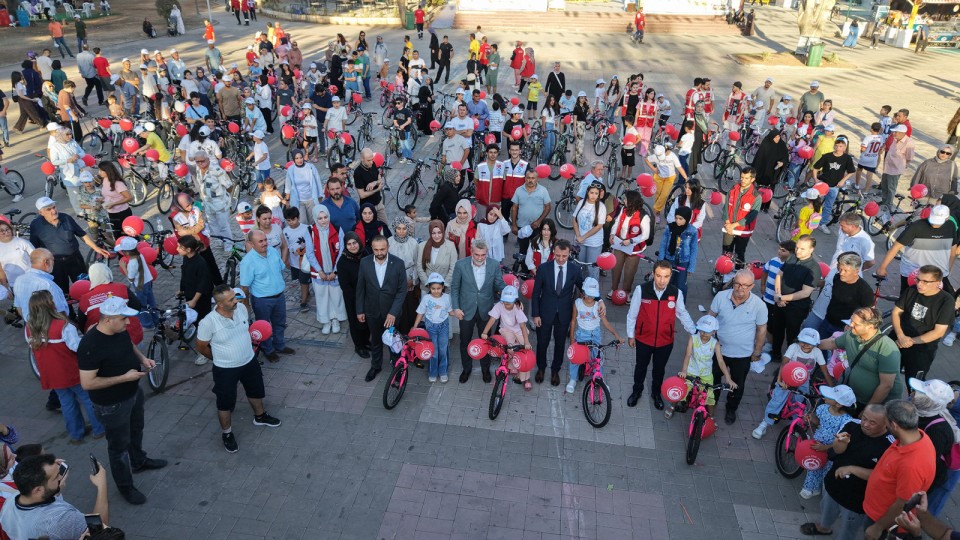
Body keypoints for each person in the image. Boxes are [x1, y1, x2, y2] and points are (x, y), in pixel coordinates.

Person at [78, 296, 167, 505]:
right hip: (112, 404)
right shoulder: (90, 345)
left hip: (133, 393)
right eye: (123, 318)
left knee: (136, 430)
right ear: (108, 320)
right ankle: (125, 487)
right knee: (119, 446)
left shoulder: (118, 330)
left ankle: (139, 461)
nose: (128, 322)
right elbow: (87, 383)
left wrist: (142, 359)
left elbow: (129, 344)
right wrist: (124, 378)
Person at [196, 285, 281, 453]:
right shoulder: (208, 322)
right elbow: (201, 346)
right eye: (231, 299)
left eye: (235, 296)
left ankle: (260, 417)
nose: (236, 300)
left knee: (256, 391)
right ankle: (227, 433)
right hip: (225, 369)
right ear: (220, 304)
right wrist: (217, 358)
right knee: (225, 402)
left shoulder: (241, 309)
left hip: (249, 361)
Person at [27, 290, 106, 444]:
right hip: (71, 371)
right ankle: (99, 429)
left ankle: (76, 433)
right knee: (88, 399)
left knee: (66, 403)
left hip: (51, 373)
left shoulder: (30, 328)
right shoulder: (63, 326)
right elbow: (77, 347)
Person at [625, 259, 697, 409]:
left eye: (666, 276)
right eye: (658, 276)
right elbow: (632, 314)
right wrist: (631, 335)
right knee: (640, 367)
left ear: (670, 276)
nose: (662, 280)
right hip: (643, 339)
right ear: (653, 274)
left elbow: (682, 314)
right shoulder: (641, 290)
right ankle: (636, 391)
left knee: (659, 370)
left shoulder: (676, 293)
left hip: (665, 341)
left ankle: (656, 394)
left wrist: (694, 332)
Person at [863, 400, 937, 540]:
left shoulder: (912, 465)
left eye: (886, 421)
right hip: (877, 511)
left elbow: (903, 504)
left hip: (885, 522)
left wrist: (878, 527)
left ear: (894, 425)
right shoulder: (918, 436)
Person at [0, 453, 109, 538]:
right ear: (38, 490)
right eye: (56, 476)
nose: (61, 477)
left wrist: (54, 486)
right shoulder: (60, 520)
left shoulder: (9, 503)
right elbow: (100, 531)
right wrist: (102, 486)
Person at [707, 269, 768, 423]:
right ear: (733, 282)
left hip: (743, 354)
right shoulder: (721, 297)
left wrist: (757, 352)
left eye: (745, 285)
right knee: (713, 379)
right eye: (738, 284)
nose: (740, 288)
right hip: (719, 350)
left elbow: (762, 330)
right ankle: (711, 404)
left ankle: (731, 409)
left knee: (737, 384)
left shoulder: (759, 305)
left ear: (752, 286)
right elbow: (710, 317)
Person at [819, 307, 904, 409]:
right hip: (854, 398)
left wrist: (868, 409)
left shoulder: (886, 348)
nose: (851, 325)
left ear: (870, 327)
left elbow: (886, 385)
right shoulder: (851, 335)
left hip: (878, 405)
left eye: (856, 324)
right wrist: (811, 344)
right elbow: (833, 343)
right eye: (851, 321)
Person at [450, 238, 505, 383]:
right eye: (477, 255)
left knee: (485, 340)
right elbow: (454, 288)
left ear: (487, 253)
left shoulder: (494, 265)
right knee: (465, 341)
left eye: (483, 255)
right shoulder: (460, 265)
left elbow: (500, 284)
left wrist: (513, 297)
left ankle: (485, 369)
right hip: (465, 310)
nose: (480, 258)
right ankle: (466, 369)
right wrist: (456, 308)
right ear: (471, 251)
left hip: (486, 310)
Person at [29, 197, 109, 297]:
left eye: (54, 207)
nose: (53, 211)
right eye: (49, 209)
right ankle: (68, 307)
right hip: (55, 265)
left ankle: (87, 303)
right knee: (62, 292)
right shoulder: (36, 225)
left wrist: (96, 248)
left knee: (85, 286)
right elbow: (34, 248)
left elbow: (82, 234)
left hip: (75, 260)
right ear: (41, 212)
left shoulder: (66, 218)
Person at [529, 240, 581, 386]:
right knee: (542, 342)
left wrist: (598, 300)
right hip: (544, 313)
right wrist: (535, 314)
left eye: (564, 256)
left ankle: (555, 370)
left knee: (560, 344)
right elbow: (536, 293)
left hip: (564, 314)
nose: (561, 259)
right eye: (558, 255)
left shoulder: (575, 270)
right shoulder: (543, 268)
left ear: (569, 253)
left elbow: (584, 287)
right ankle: (541, 368)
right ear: (554, 252)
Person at [356, 235, 407, 382]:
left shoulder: (398, 263)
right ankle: (376, 366)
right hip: (372, 311)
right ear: (372, 248)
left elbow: (402, 291)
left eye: (382, 249)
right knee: (375, 340)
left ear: (388, 247)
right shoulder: (365, 263)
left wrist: (393, 313)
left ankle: (397, 369)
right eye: (376, 250)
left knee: (394, 342)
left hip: (392, 313)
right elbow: (360, 288)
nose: (379, 253)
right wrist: (360, 310)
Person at [239, 229, 295, 363]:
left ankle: (280, 345)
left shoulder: (273, 252)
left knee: (280, 323)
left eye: (265, 240)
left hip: (279, 296)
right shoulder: (247, 261)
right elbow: (244, 286)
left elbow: (281, 268)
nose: (265, 243)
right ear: (251, 244)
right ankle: (268, 350)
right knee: (264, 326)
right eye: (260, 241)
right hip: (262, 300)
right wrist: (246, 304)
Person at [892, 265, 955, 380]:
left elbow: (938, 332)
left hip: (922, 348)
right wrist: (901, 336)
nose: (919, 284)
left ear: (937, 283)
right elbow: (896, 312)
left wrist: (910, 341)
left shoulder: (946, 301)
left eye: (925, 281)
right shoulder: (911, 290)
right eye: (918, 279)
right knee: (885, 374)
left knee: (914, 383)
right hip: (898, 338)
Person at [876, 205, 957, 295]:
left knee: (949, 297)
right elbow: (896, 246)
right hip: (913, 271)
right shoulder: (917, 226)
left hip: (937, 272)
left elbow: (953, 250)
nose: (935, 224)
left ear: (947, 218)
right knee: (907, 298)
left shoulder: (951, 226)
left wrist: (947, 270)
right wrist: (882, 267)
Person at [910, 378, 959, 515]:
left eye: (920, 393)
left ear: (930, 402)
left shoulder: (938, 431)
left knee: (915, 510)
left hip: (926, 479)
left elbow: (927, 465)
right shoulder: (923, 412)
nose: (913, 394)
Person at [567, 277, 621, 394]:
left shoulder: (598, 306)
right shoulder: (577, 304)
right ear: (583, 292)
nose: (590, 298)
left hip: (595, 335)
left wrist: (616, 335)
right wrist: (571, 339)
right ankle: (573, 379)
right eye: (588, 294)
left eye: (593, 295)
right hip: (581, 335)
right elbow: (573, 321)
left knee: (598, 358)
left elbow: (605, 322)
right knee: (576, 358)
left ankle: (599, 379)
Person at [770, 235, 821, 360]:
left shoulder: (813, 268)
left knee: (792, 334)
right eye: (797, 247)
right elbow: (779, 275)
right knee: (777, 329)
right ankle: (775, 354)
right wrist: (778, 294)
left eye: (802, 249)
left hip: (796, 308)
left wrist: (782, 298)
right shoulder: (792, 257)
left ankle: (790, 358)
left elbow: (805, 293)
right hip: (780, 301)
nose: (798, 251)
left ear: (811, 250)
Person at [310, 206, 347, 334]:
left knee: (336, 295)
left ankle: (335, 318)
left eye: (325, 217)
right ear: (315, 219)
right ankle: (326, 320)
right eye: (320, 218)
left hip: (334, 271)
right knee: (321, 296)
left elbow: (341, 251)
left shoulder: (337, 229)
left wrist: (335, 271)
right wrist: (320, 271)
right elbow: (310, 253)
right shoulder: (310, 231)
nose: (323, 221)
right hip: (319, 271)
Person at [608, 190, 651, 296]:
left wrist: (631, 241)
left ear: (631, 201)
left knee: (629, 272)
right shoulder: (624, 209)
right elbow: (617, 222)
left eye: (626, 199)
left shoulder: (643, 216)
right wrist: (612, 234)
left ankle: (626, 292)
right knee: (616, 268)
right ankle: (614, 289)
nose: (624, 201)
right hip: (619, 244)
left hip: (634, 249)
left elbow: (645, 235)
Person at [413, 273, 453, 382]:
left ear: (443, 287)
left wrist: (458, 314)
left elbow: (450, 311)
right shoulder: (426, 298)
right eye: (433, 288)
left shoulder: (447, 297)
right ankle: (433, 372)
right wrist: (415, 327)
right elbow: (420, 312)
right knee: (433, 351)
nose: (436, 291)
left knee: (443, 349)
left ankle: (443, 371)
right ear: (429, 288)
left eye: (438, 288)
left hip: (444, 326)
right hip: (430, 327)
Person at [811, 137, 857, 232]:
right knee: (815, 203)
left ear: (845, 147)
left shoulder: (847, 158)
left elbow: (851, 171)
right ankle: (812, 220)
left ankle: (822, 223)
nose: (838, 148)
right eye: (836, 146)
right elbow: (815, 168)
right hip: (823, 183)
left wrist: (843, 180)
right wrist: (815, 179)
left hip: (835, 186)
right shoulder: (827, 156)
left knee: (828, 205)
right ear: (834, 146)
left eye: (841, 146)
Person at [338, 232, 370, 358]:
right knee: (356, 323)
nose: (352, 246)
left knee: (367, 321)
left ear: (359, 242)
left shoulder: (366, 254)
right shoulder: (342, 262)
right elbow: (345, 286)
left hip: (368, 295)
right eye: (349, 244)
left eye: (354, 243)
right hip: (353, 298)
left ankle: (366, 342)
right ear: (345, 246)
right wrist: (358, 299)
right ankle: (359, 346)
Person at [282, 207, 319, 313]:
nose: (291, 222)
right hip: (294, 262)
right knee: (300, 280)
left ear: (298, 218)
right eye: (288, 220)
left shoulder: (307, 228)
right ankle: (306, 293)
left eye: (293, 220)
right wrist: (287, 260)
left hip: (306, 262)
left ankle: (303, 302)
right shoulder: (285, 231)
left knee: (304, 281)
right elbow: (286, 246)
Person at [721, 168, 760, 265]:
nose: (743, 180)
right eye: (742, 177)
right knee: (726, 253)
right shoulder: (733, 189)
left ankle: (739, 273)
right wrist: (728, 223)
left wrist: (733, 225)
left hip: (743, 230)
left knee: (739, 254)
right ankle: (721, 272)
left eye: (746, 178)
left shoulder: (756, 196)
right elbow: (726, 207)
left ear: (752, 179)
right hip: (728, 226)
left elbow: (751, 216)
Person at [573, 183, 607, 280]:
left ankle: (592, 288)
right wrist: (578, 235)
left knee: (592, 268)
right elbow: (574, 219)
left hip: (594, 243)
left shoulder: (601, 207)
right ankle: (581, 287)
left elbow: (599, 226)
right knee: (580, 266)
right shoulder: (581, 202)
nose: (593, 195)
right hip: (580, 241)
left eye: (596, 193)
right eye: (592, 193)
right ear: (587, 192)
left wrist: (583, 237)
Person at [880, 124, 915, 208]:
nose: (893, 133)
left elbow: (909, 157)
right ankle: (884, 201)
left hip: (895, 169)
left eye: (896, 132)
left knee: (891, 187)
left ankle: (889, 204)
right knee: (884, 185)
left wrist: (903, 165)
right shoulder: (895, 139)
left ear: (902, 133)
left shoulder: (909, 143)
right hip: (888, 167)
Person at [416, 220, 456, 294]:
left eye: (439, 232)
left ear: (443, 232)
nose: (436, 236)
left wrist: (444, 285)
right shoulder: (422, 246)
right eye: (433, 233)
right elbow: (419, 267)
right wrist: (428, 284)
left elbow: (453, 267)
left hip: (444, 288)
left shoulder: (450, 246)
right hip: (427, 288)